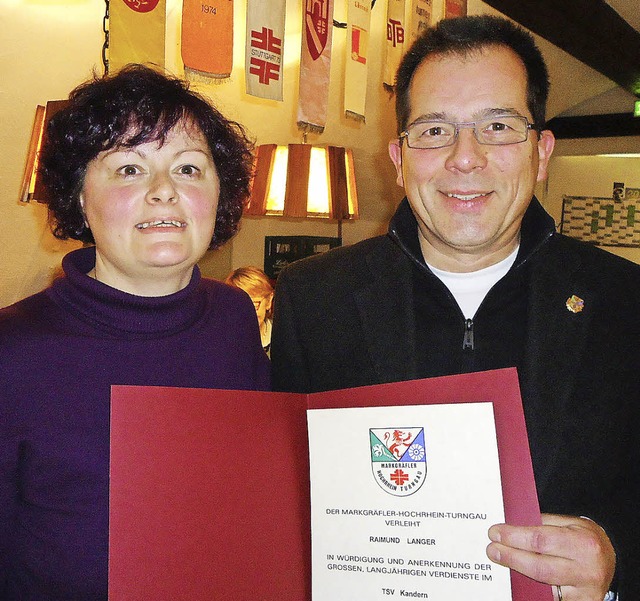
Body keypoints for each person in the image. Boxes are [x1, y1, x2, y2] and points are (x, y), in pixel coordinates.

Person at [271, 15, 639, 601]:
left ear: (541, 152)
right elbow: (280, 496)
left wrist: (616, 564)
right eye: (435, 131)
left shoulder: (626, 303)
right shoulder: (314, 297)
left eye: (497, 126)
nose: (465, 158)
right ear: (398, 158)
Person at [0, 64, 270, 599]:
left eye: (189, 168)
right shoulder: (14, 351)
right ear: (79, 196)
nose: (164, 191)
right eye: (128, 169)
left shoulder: (235, 318)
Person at [225, 266, 274, 356]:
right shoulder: (223, 339)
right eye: (240, 306)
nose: (248, 313)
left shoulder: (283, 336)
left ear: (269, 301)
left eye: (255, 305)